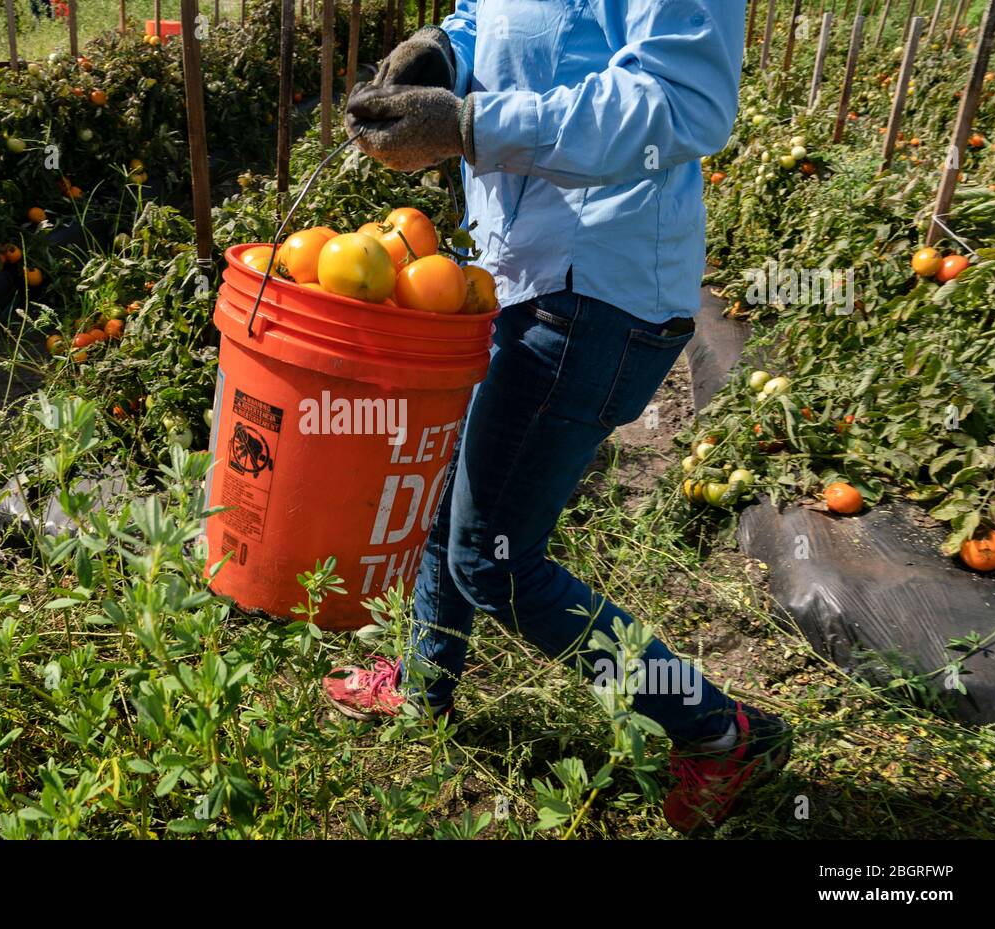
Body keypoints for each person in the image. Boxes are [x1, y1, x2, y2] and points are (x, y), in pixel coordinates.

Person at [323, 0, 790, 835]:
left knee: (495, 563)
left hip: (597, 292)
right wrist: (443, 51)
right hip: (516, 269)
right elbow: (496, 21)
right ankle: (424, 688)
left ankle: (718, 730)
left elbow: (681, 101)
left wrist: (470, 124)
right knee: (454, 488)